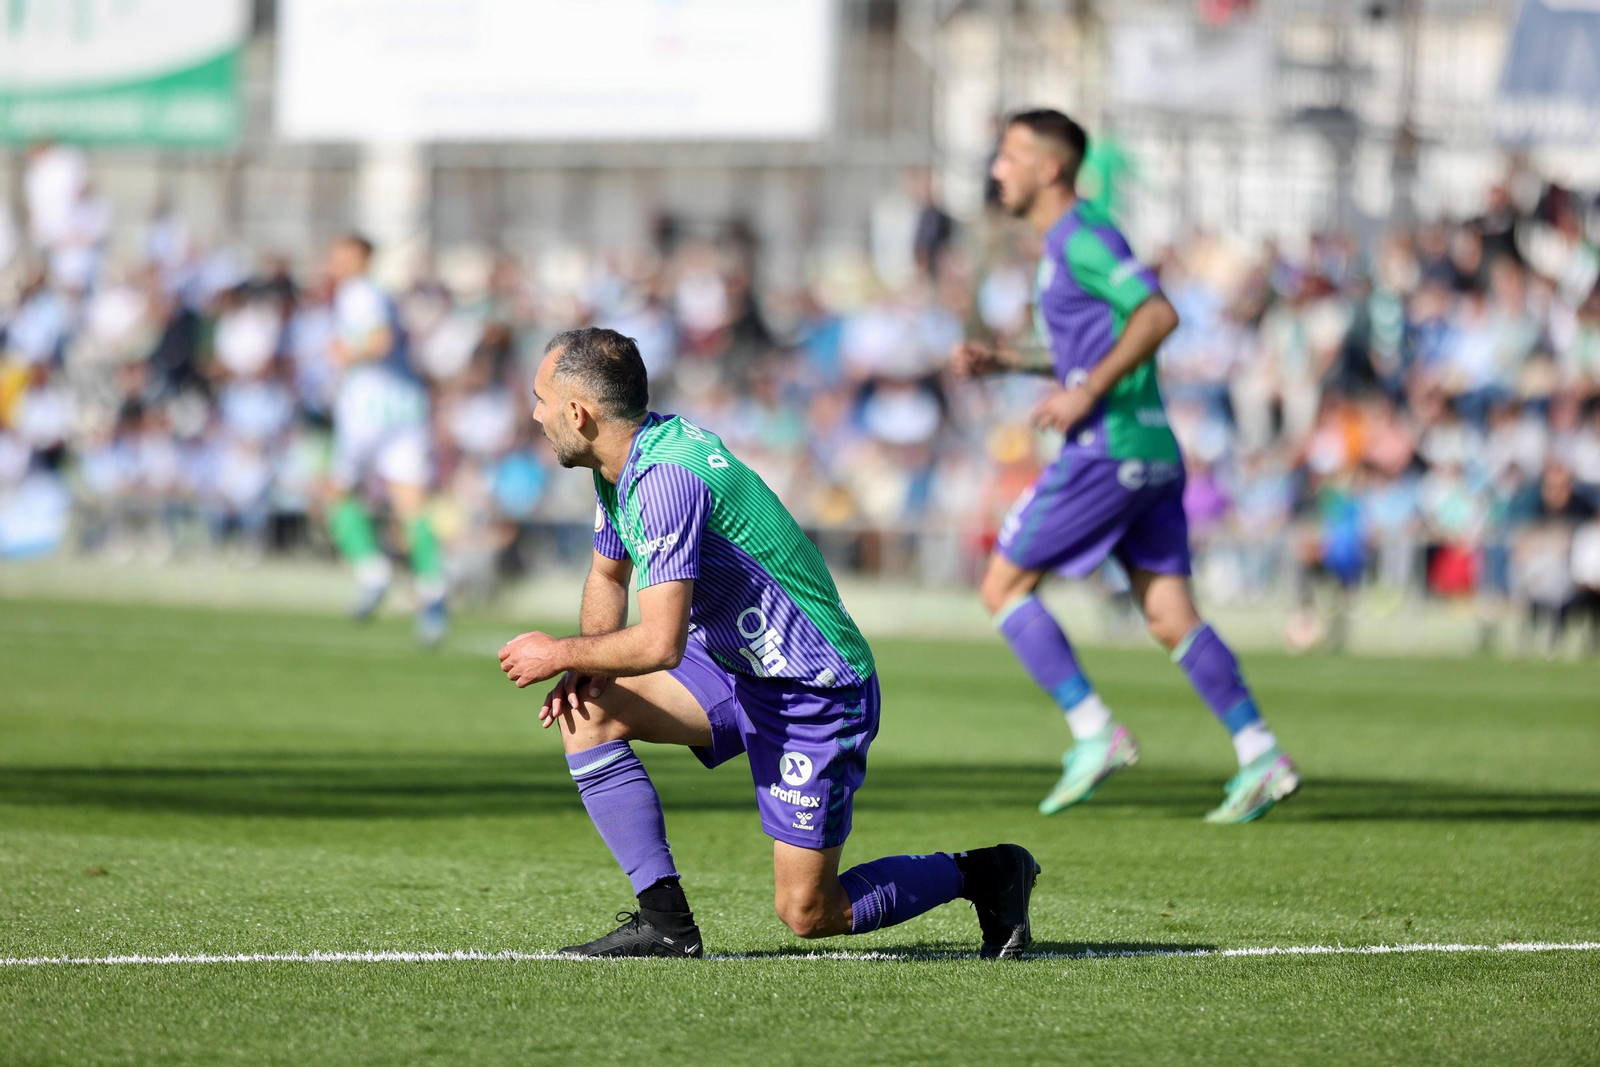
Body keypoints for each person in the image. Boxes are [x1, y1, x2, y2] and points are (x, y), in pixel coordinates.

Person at [497, 327, 1039, 958]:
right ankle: (665, 923)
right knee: (587, 712)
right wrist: (590, 672)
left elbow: (661, 643)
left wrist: (559, 653)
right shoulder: (622, 462)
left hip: (813, 689)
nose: (533, 414)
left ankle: (987, 872)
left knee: (809, 912)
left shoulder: (666, 479)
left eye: (540, 399)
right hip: (733, 661)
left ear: (578, 413)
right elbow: (606, 572)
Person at [952, 109, 1301, 823]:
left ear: (1050, 167)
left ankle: (1093, 730)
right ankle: (1260, 752)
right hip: (1148, 451)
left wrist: (1086, 391)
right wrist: (1010, 362)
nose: (997, 167)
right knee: (1170, 614)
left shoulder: (1083, 234)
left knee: (1001, 583)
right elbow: (1097, 343)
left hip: (1107, 450)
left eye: (1010, 154)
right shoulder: (1061, 245)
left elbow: (1157, 313)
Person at [322, 233, 447, 644]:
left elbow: (379, 341)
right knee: (411, 504)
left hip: (368, 407)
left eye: (341, 253)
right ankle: (432, 594)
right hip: (406, 405)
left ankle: (372, 572)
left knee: (336, 491)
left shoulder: (357, 293)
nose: (334, 260)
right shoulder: (380, 293)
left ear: (360, 258)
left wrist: (346, 354)